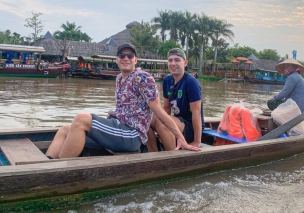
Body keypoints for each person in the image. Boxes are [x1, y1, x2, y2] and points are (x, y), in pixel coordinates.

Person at [46, 43, 200, 159]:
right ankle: (47, 165)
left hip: (131, 134)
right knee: (65, 129)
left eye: (130, 56)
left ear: (135, 60)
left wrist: (181, 138)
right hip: (118, 126)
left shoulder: (143, 78)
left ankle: (58, 173)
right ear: (117, 60)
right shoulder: (119, 78)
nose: (126, 58)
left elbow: (159, 111)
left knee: (81, 119)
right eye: (122, 56)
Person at [146, 48, 204, 151]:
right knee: (146, 120)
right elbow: (166, 108)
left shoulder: (191, 82)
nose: (173, 63)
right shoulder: (167, 80)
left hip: (190, 126)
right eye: (170, 60)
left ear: (185, 63)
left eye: (177, 60)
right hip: (177, 122)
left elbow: (197, 113)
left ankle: (173, 157)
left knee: (162, 122)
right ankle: (153, 155)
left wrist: (197, 141)